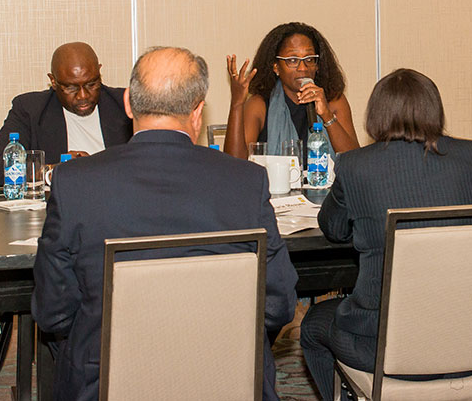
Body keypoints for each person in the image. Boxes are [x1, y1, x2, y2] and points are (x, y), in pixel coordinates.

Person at [32, 47, 298, 401]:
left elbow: (53, 312)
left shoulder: (74, 183)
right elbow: (278, 304)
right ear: (198, 112)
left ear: (128, 104)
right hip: (227, 378)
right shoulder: (247, 181)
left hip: (106, 384)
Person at [299, 68, 472, 401]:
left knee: (312, 326)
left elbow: (333, 229)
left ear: (375, 115)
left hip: (385, 349)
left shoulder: (355, 166)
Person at [0, 42, 132, 186]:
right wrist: (53, 171)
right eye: (71, 88)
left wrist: (94, 167)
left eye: (91, 84)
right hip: (61, 201)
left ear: (99, 72)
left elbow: (144, 163)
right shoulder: (30, 110)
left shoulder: (125, 105)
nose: (83, 95)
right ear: (53, 81)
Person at [223, 22, 359, 161]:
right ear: (276, 67)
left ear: (317, 65)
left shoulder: (334, 100)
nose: (303, 68)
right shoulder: (260, 105)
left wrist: (327, 116)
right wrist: (237, 104)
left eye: (309, 59)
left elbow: (355, 163)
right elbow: (234, 164)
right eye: (293, 60)